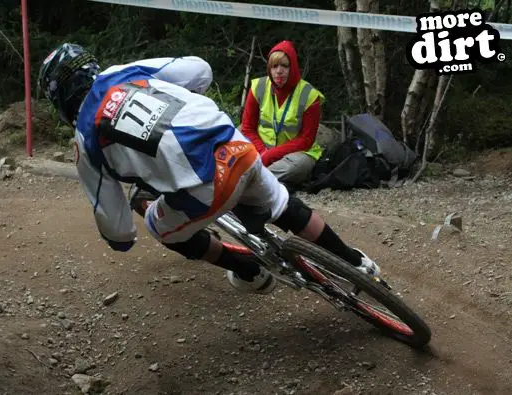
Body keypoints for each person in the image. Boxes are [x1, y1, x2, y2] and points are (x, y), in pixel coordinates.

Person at [38, 43, 379, 295]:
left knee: (162, 229)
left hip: (203, 189)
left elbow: (120, 233)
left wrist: (122, 238)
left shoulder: (84, 140)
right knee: (283, 206)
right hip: (235, 147)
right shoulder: (122, 72)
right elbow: (200, 70)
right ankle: (357, 262)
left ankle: (249, 272)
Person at [241, 40, 324, 190]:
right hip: (261, 149)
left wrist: (270, 155)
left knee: (297, 167)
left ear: (292, 68)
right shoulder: (258, 87)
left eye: (285, 66)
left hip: (295, 154)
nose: (279, 71)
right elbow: (247, 128)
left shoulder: (310, 95)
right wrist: (263, 152)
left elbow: (306, 140)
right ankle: (264, 180)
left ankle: (251, 180)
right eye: (274, 66)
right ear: (269, 69)